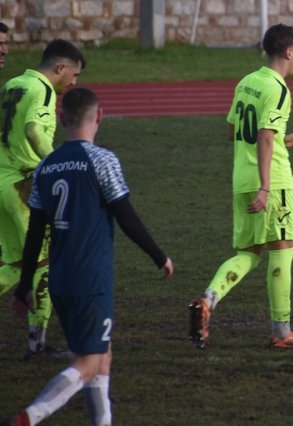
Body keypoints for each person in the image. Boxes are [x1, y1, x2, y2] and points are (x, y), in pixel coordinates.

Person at [5, 87, 173, 426]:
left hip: (60, 277)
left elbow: (35, 233)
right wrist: (158, 255)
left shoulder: (46, 167)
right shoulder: (102, 160)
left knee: (101, 356)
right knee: (89, 362)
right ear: (98, 116)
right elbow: (126, 216)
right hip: (91, 278)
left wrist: (24, 284)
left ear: (61, 117)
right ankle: (31, 417)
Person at [188, 24, 293, 350]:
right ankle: (282, 332)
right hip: (271, 184)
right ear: (288, 52)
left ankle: (208, 298)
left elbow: (234, 132)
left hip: (241, 179)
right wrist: (265, 186)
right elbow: (262, 136)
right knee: (282, 250)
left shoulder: (248, 82)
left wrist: (280, 138)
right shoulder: (279, 88)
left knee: (247, 253)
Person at [0, 39, 85, 356]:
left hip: (0, 181)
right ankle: (37, 343)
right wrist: (58, 166)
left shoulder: (12, 84)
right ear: (60, 68)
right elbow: (35, 131)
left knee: (16, 264)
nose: (73, 84)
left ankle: (37, 342)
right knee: (45, 260)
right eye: (73, 76)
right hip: (22, 184)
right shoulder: (42, 89)